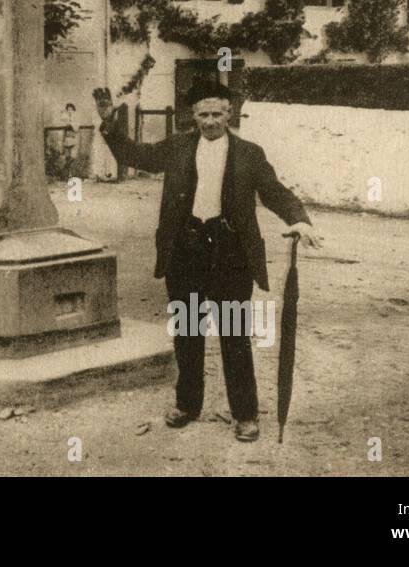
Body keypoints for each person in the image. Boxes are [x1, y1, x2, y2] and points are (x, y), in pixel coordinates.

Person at [92, 81, 322, 442]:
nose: (211, 121)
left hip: (230, 254)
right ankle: (187, 404)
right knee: (187, 332)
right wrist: (109, 124)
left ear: (230, 114)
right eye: (203, 114)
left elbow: (274, 191)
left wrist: (298, 219)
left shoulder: (249, 153)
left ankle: (245, 414)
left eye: (217, 114)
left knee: (233, 334)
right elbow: (135, 156)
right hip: (186, 251)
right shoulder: (177, 146)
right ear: (193, 116)